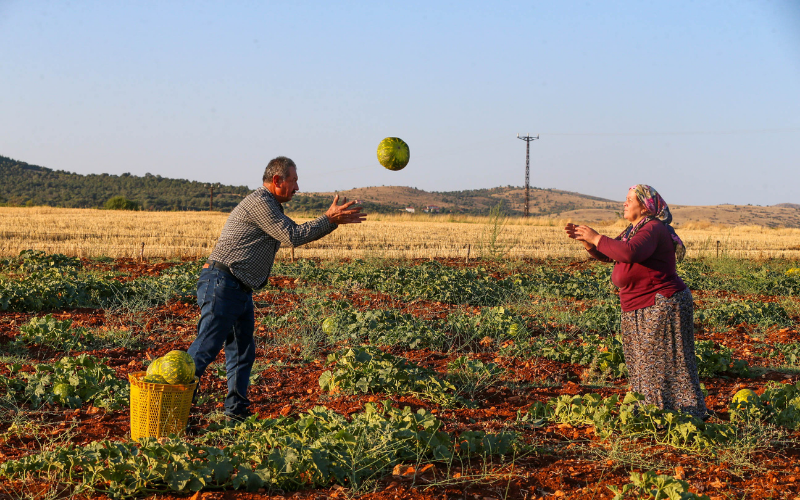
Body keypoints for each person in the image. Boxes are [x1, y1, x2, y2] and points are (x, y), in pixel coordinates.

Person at [187, 156, 366, 421]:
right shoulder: (261, 203)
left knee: (242, 353)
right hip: (222, 283)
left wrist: (331, 222)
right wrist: (329, 219)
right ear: (277, 180)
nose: (297, 187)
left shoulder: (271, 205)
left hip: (238, 287)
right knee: (205, 348)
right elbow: (293, 235)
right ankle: (168, 406)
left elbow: (294, 233)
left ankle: (235, 414)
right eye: (293, 181)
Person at [565, 184, 706, 418]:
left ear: (644, 206)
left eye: (629, 199)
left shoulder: (653, 228)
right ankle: (654, 413)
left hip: (661, 303)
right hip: (640, 305)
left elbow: (630, 253)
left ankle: (680, 414)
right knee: (642, 364)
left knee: (661, 365)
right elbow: (614, 252)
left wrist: (597, 236)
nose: (624, 203)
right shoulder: (635, 229)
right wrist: (587, 242)